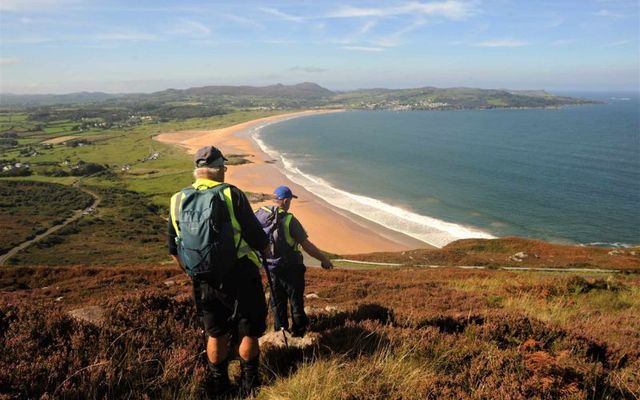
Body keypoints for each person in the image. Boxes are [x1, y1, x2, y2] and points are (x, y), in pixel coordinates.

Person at [168, 146, 269, 397]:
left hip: (203, 279)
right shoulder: (231, 194)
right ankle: (249, 385)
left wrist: (194, 272)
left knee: (215, 333)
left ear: (197, 171)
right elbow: (257, 239)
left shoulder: (177, 199)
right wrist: (267, 253)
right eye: (224, 167)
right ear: (220, 168)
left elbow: (173, 249)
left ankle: (220, 385)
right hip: (241, 275)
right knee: (249, 331)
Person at [255, 185, 334, 338]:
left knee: (277, 303)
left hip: (271, 267)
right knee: (296, 302)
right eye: (290, 200)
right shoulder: (290, 220)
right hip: (291, 268)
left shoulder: (261, 214)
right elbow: (307, 246)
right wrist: (324, 260)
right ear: (284, 201)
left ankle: (281, 333)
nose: (290, 203)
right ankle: (298, 334)